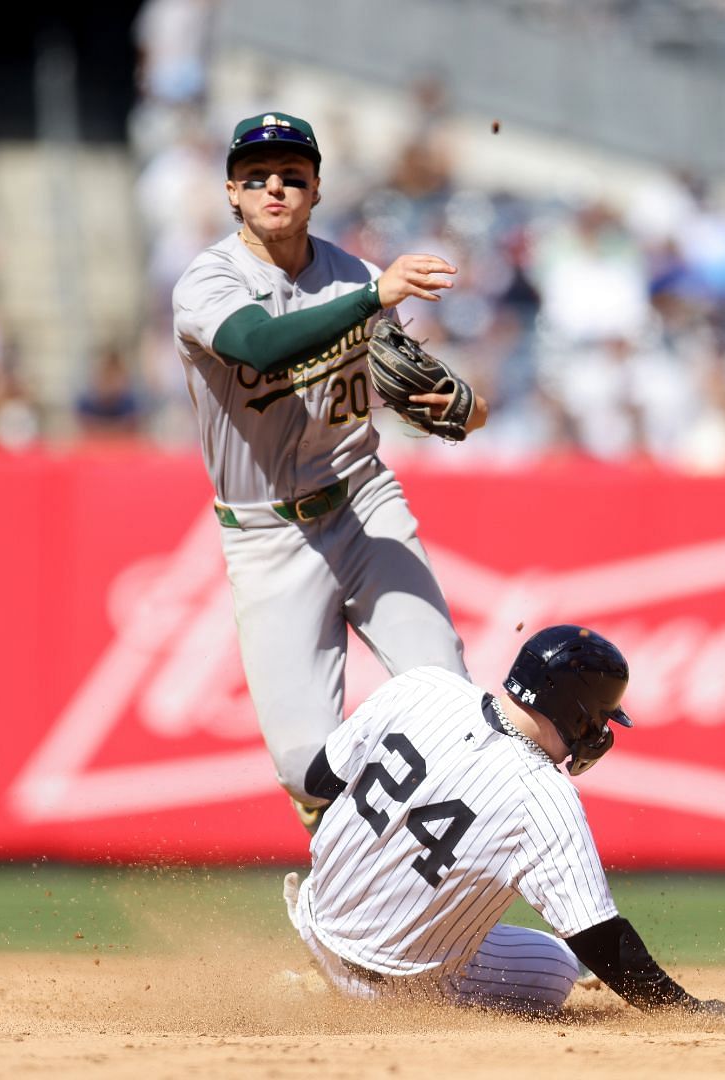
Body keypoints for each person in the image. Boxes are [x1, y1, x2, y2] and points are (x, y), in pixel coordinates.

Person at [169, 112, 489, 831]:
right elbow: (260, 347)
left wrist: (464, 409)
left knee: (452, 705)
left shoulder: (355, 275)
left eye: (292, 176)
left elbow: (421, 392)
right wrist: (374, 298)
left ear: (316, 191)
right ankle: (346, 868)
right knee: (305, 767)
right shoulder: (209, 279)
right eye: (257, 177)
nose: (274, 187)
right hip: (266, 532)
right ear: (231, 192)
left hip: (363, 504)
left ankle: (442, 887)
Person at [284, 625, 725, 1019]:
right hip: (392, 991)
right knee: (562, 962)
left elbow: (319, 779)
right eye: (600, 719)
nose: (600, 732)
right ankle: (347, 987)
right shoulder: (545, 796)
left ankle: (317, 969)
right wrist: (684, 1010)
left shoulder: (423, 686)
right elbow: (601, 939)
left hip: (314, 918)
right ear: (577, 714)